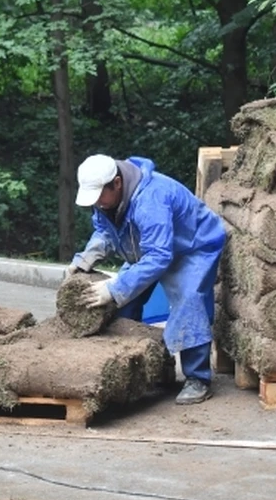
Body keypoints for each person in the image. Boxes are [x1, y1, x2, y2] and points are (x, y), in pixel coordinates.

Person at [67, 154, 226, 405]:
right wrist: (85, 258)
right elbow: (104, 231)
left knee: (189, 301)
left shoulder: (151, 199)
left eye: (99, 196)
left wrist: (115, 286)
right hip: (151, 248)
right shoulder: (107, 202)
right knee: (123, 305)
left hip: (192, 246)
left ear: (117, 183)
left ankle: (198, 378)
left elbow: (159, 257)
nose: (96, 203)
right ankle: (148, 365)